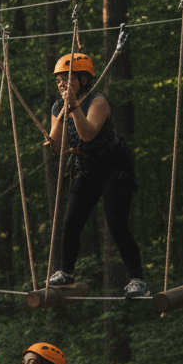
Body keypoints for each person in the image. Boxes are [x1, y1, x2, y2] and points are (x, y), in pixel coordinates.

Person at [44, 52, 147, 297]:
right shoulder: (58, 106)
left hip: (114, 165)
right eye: (58, 80)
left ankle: (137, 280)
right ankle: (66, 272)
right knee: (71, 222)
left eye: (67, 80)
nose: (61, 85)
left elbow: (88, 133)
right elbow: (56, 145)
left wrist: (75, 107)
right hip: (87, 166)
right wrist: (63, 111)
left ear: (83, 80)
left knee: (117, 223)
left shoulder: (98, 101)